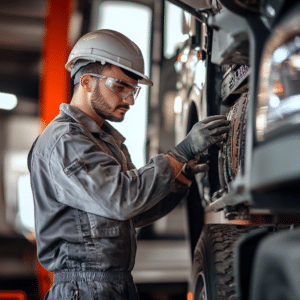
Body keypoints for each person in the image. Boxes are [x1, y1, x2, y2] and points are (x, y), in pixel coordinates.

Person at [28, 29, 229, 299]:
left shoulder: (106, 141)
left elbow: (135, 212)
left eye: (133, 90)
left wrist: (180, 177)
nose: (131, 100)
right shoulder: (66, 141)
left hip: (111, 286)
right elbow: (121, 199)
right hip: (84, 289)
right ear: (86, 82)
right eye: (120, 87)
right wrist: (180, 153)